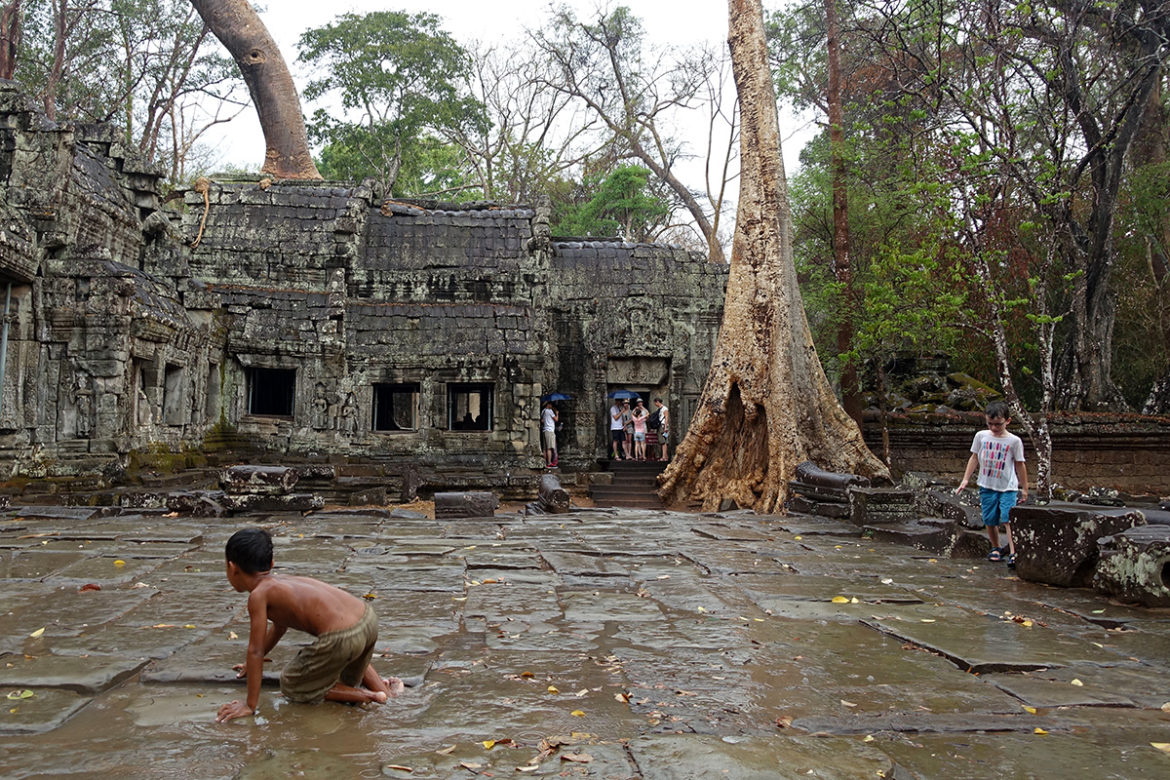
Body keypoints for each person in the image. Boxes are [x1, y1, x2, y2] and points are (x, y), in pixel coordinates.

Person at [215, 528, 403, 722]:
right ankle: (386, 694)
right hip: (367, 619)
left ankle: (371, 696)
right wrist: (250, 665)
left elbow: (255, 650)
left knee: (292, 683)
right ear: (271, 564)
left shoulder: (258, 595)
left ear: (232, 567)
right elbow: (278, 628)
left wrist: (250, 704)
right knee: (345, 664)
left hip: (343, 637)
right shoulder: (280, 583)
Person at [956, 401, 1028, 568]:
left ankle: (1012, 551)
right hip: (986, 484)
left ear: (1008, 421)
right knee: (989, 518)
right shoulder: (981, 436)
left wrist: (1024, 488)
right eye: (990, 424)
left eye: (998, 424)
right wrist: (966, 479)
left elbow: (1020, 464)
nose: (994, 428)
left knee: (1007, 518)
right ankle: (995, 547)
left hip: (1008, 486)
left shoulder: (1014, 441)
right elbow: (974, 457)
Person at [541, 401, 559, 467]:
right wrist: (557, 414)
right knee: (549, 448)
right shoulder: (549, 411)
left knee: (545, 448)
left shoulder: (543, 411)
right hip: (550, 430)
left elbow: (542, 421)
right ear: (548, 404)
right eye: (551, 404)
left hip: (545, 430)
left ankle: (544, 462)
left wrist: (547, 421)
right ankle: (549, 463)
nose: (551, 406)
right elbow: (556, 419)